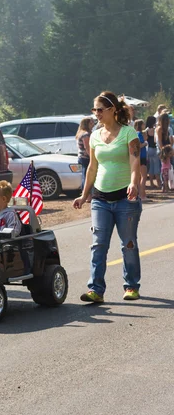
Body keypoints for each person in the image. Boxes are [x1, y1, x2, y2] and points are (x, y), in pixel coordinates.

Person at [73, 91, 142, 303]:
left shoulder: (129, 134)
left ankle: (131, 286)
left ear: (112, 110)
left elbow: (134, 162)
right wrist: (84, 196)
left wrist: (133, 183)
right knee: (98, 244)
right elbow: (92, 168)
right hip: (100, 199)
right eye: (94, 110)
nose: (96, 114)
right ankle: (96, 289)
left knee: (128, 243)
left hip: (125, 199)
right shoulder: (94, 136)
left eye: (100, 110)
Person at [76, 117, 94, 199]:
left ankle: (86, 195)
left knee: (85, 175)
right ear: (87, 124)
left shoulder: (81, 133)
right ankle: (87, 196)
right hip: (85, 157)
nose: (93, 124)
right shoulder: (85, 134)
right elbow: (87, 147)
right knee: (87, 176)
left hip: (81, 157)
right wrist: (92, 157)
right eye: (91, 123)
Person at [144, 116, 161, 189]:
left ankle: (151, 183)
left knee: (151, 167)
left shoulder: (146, 130)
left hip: (149, 149)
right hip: (155, 149)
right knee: (156, 166)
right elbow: (155, 140)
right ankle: (159, 183)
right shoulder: (155, 130)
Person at [134, 119, 148, 201]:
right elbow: (138, 145)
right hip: (141, 157)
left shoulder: (136, 133)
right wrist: (145, 143)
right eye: (143, 124)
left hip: (139, 157)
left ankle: (141, 194)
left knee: (139, 177)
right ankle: (142, 195)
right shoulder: (139, 134)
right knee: (144, 176)